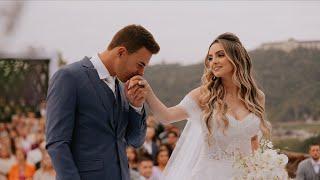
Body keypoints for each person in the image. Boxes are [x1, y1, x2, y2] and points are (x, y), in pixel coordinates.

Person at [128, 32, 271, 179]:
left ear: (236, 58)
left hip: (244, 175)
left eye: (220, 55)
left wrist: (262, 170)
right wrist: (148, 92)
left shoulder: (257, 97)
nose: (213, 61)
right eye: (210, 58)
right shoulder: (204, 95)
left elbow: (254, 141)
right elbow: (166, 116)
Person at [46, 24, 160, 180]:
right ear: (121, 52)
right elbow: (57, 143)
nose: (141, 73)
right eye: (140, 64)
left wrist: (136, 106)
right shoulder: (69, 77)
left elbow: (135, 141)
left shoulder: (121, 88)